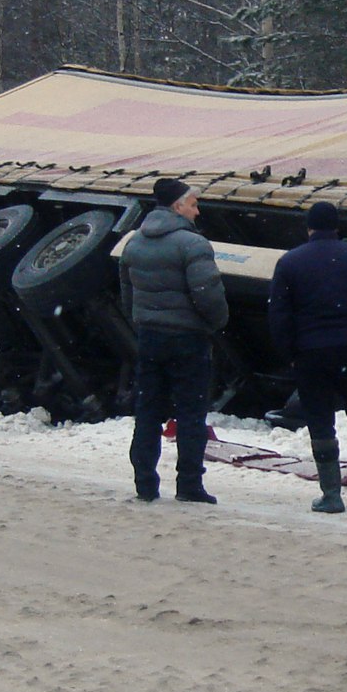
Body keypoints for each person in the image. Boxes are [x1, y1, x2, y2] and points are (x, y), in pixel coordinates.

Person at [268, 200, 347, 513]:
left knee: (321, 423)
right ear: (337, 226)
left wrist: (291, 353)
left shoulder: (290, 262)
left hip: (311, 353)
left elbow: (279, 316)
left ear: (308, 227)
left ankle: (332, 495)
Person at [121, 178, 228, 503]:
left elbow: (128, 295)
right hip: (188, 340)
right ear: (178, 206)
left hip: (151, 338)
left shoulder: (134, 243)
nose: (197, 211)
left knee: (148, 411)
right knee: (191, 413)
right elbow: (207, 293)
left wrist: (144, 321)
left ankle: (144, 483)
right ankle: (189, 484)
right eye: (193, 204)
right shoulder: (192, 244)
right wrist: (216, 323)